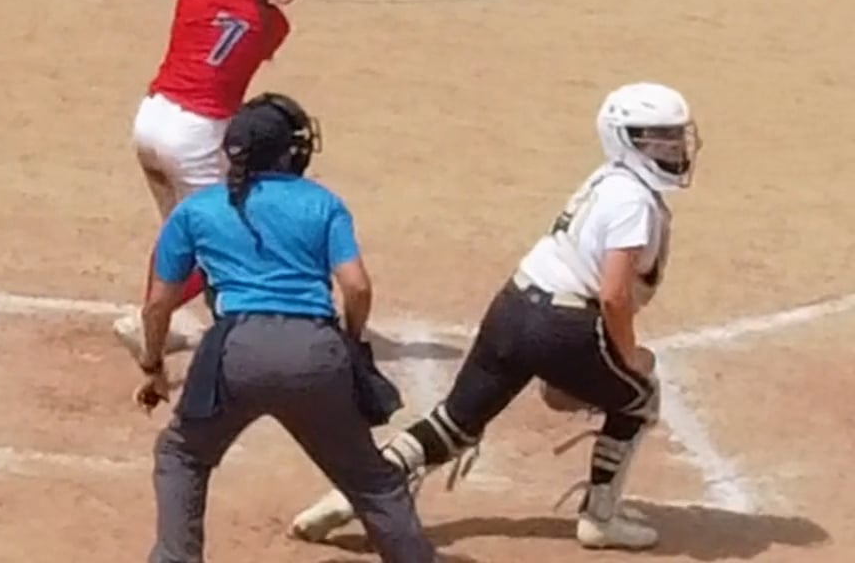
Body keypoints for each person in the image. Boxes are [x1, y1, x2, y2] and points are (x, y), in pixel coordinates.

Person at [288, 82, 699, 553]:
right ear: (625, 138)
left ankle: (351, 494)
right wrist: (628, 358)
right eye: (657, 137)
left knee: (456, 422)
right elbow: (613, 296)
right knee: (638, 398)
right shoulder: (634, 203)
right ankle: (600, 519)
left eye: (674, 135)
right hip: (564, 326)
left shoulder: (607, 180)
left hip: (516, 305)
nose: (672, 146)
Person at [134, 93, 438, 563]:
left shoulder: (197, 210)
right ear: (287, 153)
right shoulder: (322, 203)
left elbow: (157, 305)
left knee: (182, 456)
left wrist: (153, 365)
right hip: (315, 352)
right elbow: (356, 287)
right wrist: (350, 340)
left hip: (233, 353)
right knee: (371, 480)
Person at [113, 0, 313, 358]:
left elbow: (212, 17)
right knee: (220, 242)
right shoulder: (273, 25)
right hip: (196, 138)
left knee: (177, 232)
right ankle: (148, 320)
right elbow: (238, 26)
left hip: (151, 119)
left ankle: (156, 325)